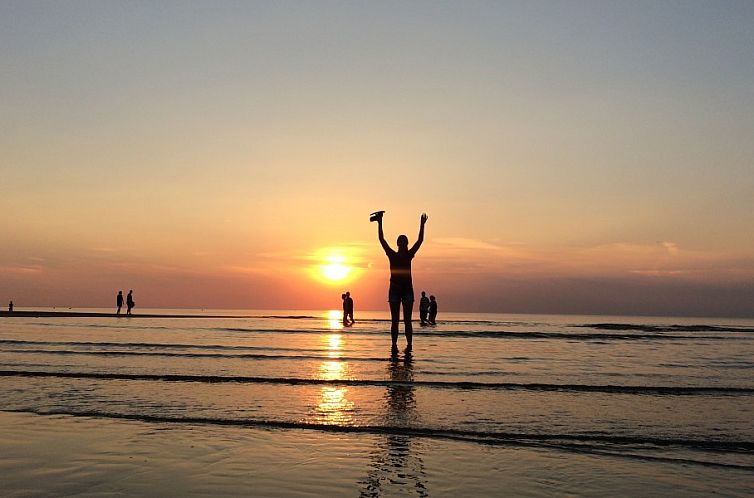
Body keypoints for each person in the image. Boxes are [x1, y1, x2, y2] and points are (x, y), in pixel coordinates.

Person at [376, 211, 428, 350]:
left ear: (406, 244)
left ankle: (409, 345)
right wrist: (380, 222)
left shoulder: (410, 255)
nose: (403, 244)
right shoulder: (392, 254)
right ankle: (394, 345)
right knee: (395, 321)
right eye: (401, 241)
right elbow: (382, 239)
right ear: (398, 244)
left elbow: (420, 240)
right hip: (394, 288)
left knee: (407, 320)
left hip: (407, 289)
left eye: (405, 242)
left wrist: (422, 225)